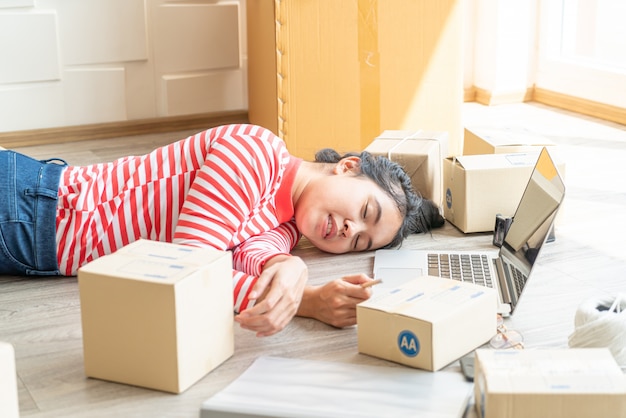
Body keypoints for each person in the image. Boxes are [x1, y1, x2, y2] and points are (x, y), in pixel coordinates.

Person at [0, 124, 444, 336]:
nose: (349, 230)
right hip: (29, 207)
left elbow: (258, 263)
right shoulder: (257, 154)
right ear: (347, 168)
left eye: (359, 242)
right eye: (364, 210)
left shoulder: (284, 228)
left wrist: (303, 293)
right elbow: (189, 265)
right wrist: (296, 281)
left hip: (35, 244)